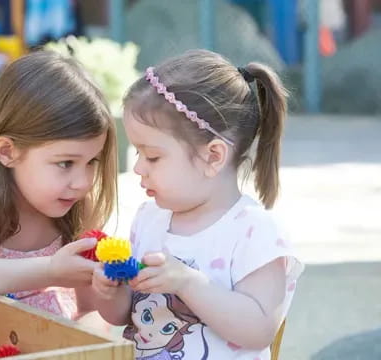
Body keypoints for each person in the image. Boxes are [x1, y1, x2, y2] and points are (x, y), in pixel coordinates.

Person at [92, 49, 303, 359]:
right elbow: (128, 315)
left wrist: (188, 283)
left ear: (213, 156)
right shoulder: (149, 220)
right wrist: (110, 293)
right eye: (138, 154)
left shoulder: (254, 232)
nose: (138, 168)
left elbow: (259, 330)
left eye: (152, 156)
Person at [0, 50, 118, 322]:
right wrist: (50, 269)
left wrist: (111, 287)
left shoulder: (74, 207)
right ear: (7, 151)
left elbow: (87, 307)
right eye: (65, 163)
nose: (83, 182)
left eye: (92, 162)